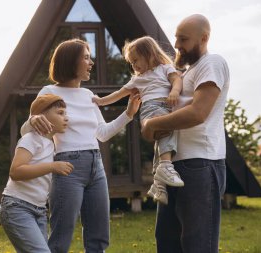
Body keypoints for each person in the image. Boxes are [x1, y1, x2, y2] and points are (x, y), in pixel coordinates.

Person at [20, 38, 141, 253]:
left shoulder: (88, 96)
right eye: (86, 57)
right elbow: (27, 132)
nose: (91, 62)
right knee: (61, 237)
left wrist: (129, 114)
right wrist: (31, 121)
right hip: (68, 167)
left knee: (98, 237)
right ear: (70, 61)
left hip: (97, 166)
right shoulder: (48, 92)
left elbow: (102, 134)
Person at [141, 14, 229, 253]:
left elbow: (198, 113)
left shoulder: (212, 63)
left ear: (204, 38)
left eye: (184, 39)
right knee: (167, 243)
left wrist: (153, 123)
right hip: (173, 167)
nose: (177, 44)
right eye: (176, 38)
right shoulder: (186, 73)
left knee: (197, 245)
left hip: (200, 164)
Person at [93, 36, 184, 205]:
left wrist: (175, 92)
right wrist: (100, 101)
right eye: (131, 62)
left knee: (162, 139)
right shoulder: (137, 79)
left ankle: (158, 184)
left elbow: (177, 80)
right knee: (167, 131)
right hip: (151, 108)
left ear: (149, 54)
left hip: (166, 105)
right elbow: (119, 94)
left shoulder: (165, 68)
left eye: (136, 60)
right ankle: (165, 166)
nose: (133, 66)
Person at [0, 94, 74, 253]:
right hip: (17, 207)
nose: (66, 118)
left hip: (38, 211)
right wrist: (52, 166)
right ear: (42, 117)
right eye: (60, 113)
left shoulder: (50, 144)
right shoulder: (31, 139)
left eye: (65, 114)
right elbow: (16, 171)